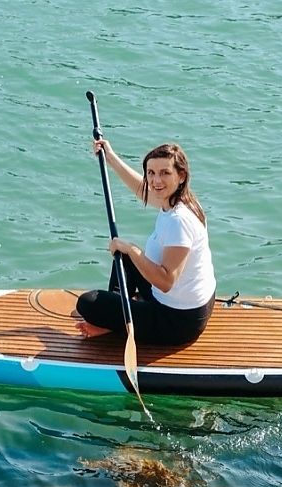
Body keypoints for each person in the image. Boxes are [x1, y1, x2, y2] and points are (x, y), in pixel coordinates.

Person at [75, 138, 216, 346]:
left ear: (181, 175)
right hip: (192, 303)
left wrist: (133, 249)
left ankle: (112, 319)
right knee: (123, 257)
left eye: (164, 173)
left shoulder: (180, 221)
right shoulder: (180, 199)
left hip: (177, 320)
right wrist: (110, 158)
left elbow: (166, 282)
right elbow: (141, 190)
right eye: (151, 173)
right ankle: (115, 314)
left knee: (88, 303)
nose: (156, 180)